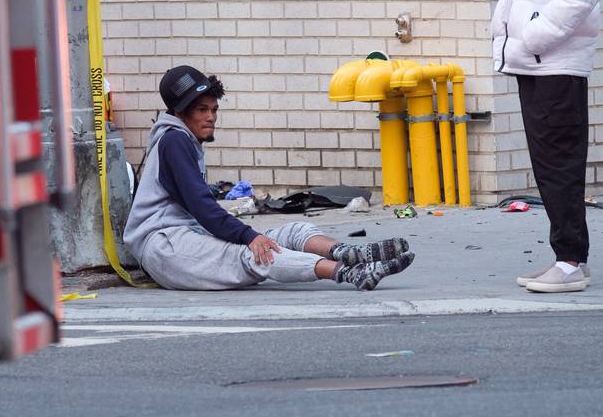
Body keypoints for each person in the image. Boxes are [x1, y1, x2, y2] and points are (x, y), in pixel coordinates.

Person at [123, 65, 415, 291]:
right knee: (257, 253)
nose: (211, 117)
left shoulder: (183, 139)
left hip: (187, 235)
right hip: (164, 248)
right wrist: (249, 236)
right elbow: (202, 207)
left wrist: (249, 236)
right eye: (201, 110)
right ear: (180, 113)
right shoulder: (174, 141)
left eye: (213, 109)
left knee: (293, 231)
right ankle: (349, 272)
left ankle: (348, 252)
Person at [491, 0, 603, 293]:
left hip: (553, 60)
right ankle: (566, 257)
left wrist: (534, 36)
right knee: (549, 161)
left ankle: (571, 262)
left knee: (559, 161)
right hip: (537, 61)